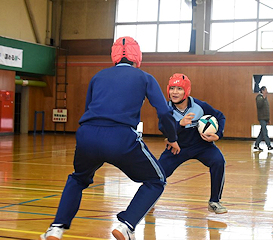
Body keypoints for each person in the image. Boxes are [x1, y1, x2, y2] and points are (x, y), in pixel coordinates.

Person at [39, 36, 180, 240]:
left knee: (78, 179)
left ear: (114, 55)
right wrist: (172, 137)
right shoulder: (145, 77)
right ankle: (126, 226)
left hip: (87, 135)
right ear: (137, 56)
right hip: (120, 137)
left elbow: (88, 108)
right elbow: (165, 113)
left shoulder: (98, 76)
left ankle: (56, 228)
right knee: (156, 180)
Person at [158, 73, 228, 214]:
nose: (174, 92)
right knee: (157, 174)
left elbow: (220, 116)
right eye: (172, 88)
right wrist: (180, 125)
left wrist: (218, 134)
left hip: (202, 146)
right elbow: (163, 129)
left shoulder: (199, 106)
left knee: (218, 161)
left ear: (186, 91)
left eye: (179, 89)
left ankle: (214, 201)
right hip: (177, 148)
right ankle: (149, 200)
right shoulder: (165, 109)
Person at [254, 86, 273, 151]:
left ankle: (256, 145)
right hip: (261, 118)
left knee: (262, 133)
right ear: (262, 91)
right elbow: (259, 105)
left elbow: (266, 109)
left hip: (265, 118)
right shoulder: (259, 97)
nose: (267, 91)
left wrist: (268, 119)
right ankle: (269, 146)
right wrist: (263, 98)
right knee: (265, 132)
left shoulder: (265, 98)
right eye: (266, 90)